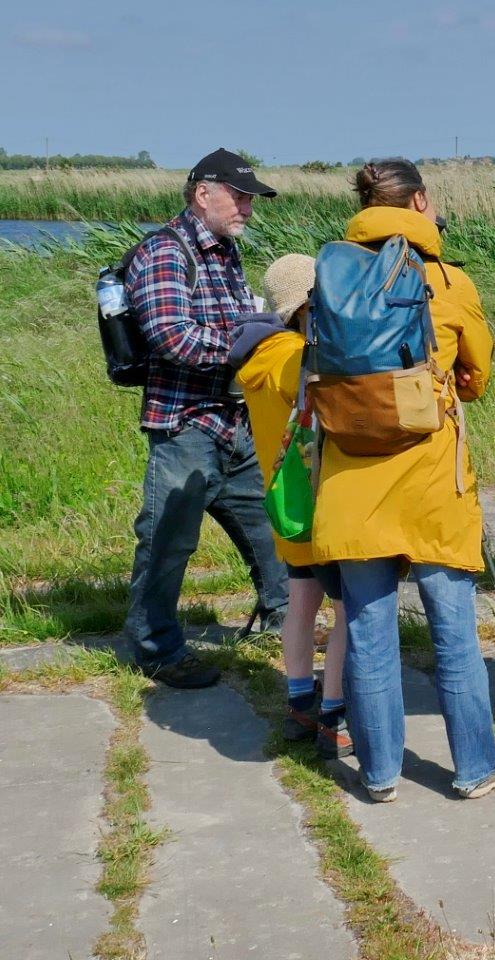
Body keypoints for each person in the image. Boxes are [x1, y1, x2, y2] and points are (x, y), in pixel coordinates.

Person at [310, 158, 495, 803]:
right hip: (431, 481)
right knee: (453, 632)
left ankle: (378, 775)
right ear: (421, 203)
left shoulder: (332, 278)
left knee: (369, 635)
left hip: (350, 482)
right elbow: (477, 380)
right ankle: (476, 765)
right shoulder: (449, 280)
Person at [123, 148, 288, 689]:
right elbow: (172, 337)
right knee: (168, 540)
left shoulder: (225, 252)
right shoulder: (165, 252)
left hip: (233, 421)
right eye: (239, 195)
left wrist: (259, 336)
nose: (247, 207)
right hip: (185, 426)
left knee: (272, 525)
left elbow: (236, 322)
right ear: (203, 193)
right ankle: (157, 650)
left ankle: (282, 622)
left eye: (250, 198)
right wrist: (249, 348)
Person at [230, 254, 352, 759]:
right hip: (319, 498)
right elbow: (329, 399)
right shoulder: (291, 357)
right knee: (348, 609)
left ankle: (300, 700)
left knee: (301, 605)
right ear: (307, 304)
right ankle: (335, 713)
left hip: (286, 502)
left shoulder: (256, 355)